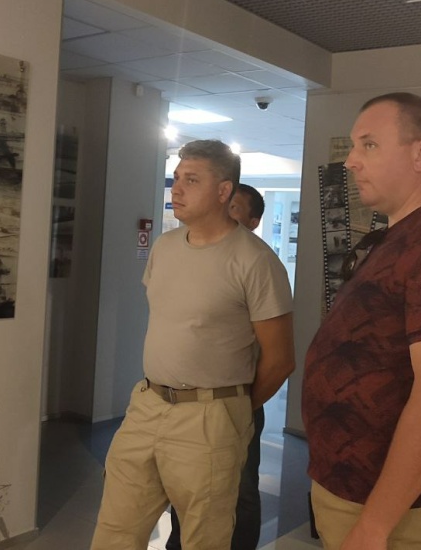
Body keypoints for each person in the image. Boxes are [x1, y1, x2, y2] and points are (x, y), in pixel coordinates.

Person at [302, 92, 421, 550]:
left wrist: (373, 527)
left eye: (369, 145)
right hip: (348, 485)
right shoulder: (398, 236)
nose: (351, 161)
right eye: (354, 146)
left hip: (385, 509)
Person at [91, 140, 295, 550]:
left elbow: (280, 359)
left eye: (192, 180)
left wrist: (232, 410)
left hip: (209, 415)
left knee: (204, 536)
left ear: (223, 191)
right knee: (115, 528)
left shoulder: (255, 261)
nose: (177, 189)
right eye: (177, 178)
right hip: (148, 404)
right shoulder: (165, 247)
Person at [166, 182, 270, 550]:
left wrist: (242, 404)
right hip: (184, 404)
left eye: (234, 208)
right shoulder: (186, 259)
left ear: (253, 222)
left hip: (234, 400)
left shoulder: (257, 266)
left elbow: (278, 357)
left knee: (240, 487)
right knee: (186, 483)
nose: (222, 214)